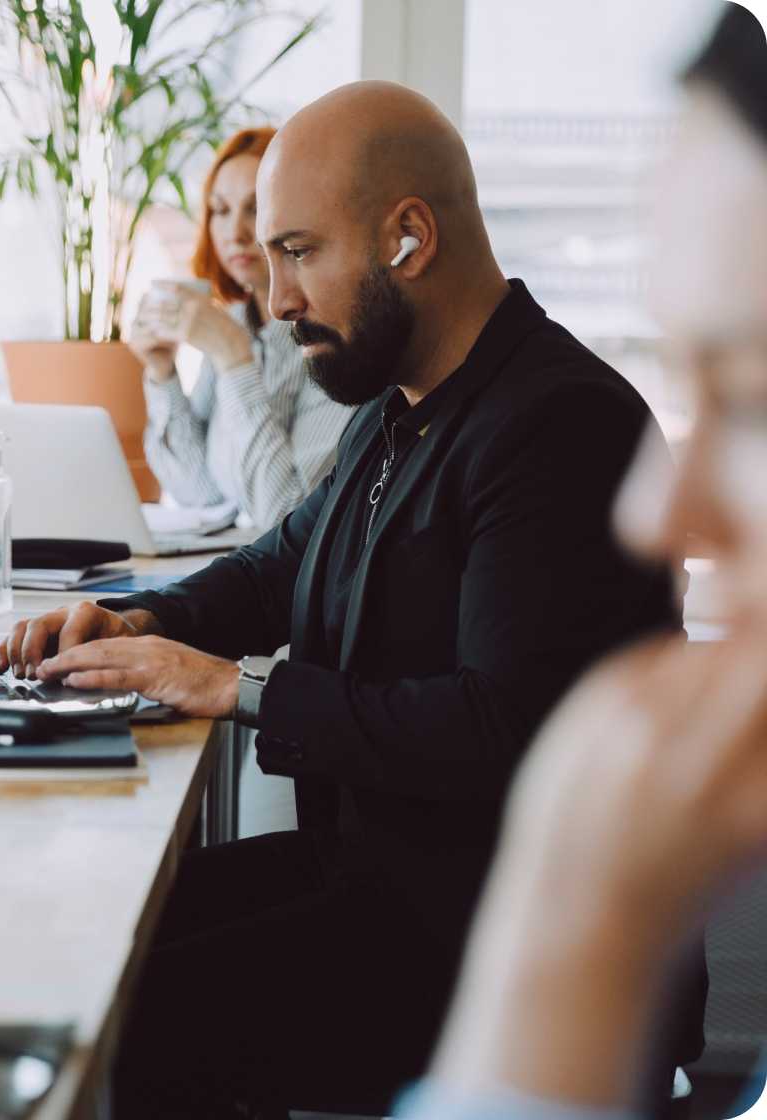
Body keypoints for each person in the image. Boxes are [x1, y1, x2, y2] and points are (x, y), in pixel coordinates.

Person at [0, 82, 704, 1116]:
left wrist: (233, 689)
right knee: (89, 940)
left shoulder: (559, 426)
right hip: (386, 883)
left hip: (510, 948)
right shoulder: (398, 402)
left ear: (408, 239)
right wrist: (144, 627)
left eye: (296, 252)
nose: (275, 300)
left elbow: (503, 728)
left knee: (135, 1012)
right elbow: (280, 563)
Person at [399, 5, 767, 1119]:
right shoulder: (395, 416)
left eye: (751, 394)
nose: (659, 517)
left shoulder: (543, 414)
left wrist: (570, 954)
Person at [130, 126, 354, 530]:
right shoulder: (236, 321)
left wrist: (235, 358)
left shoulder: (332, 335)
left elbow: (289, 520)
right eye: (220, 210)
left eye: (255, 208)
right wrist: (162, 373)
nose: (234, 233)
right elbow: (201, 492)